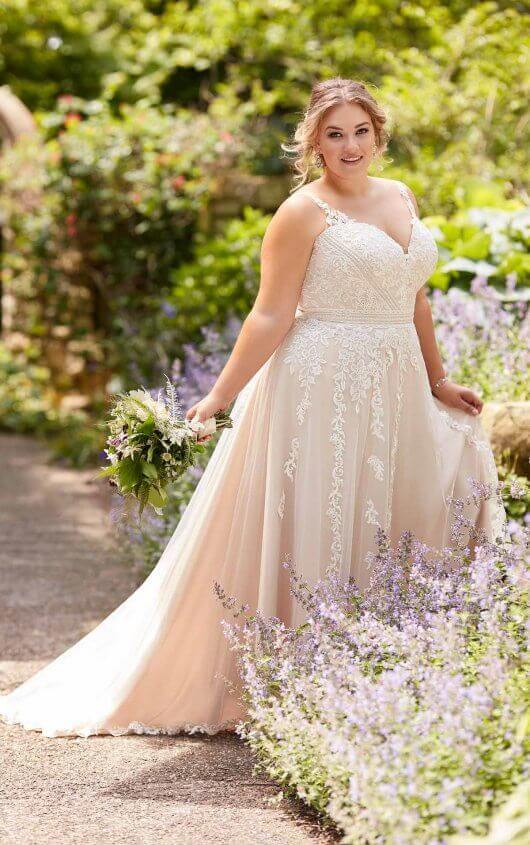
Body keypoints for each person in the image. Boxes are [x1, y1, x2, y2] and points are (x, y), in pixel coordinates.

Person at [0, 78, 506, 739]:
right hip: (321, 379)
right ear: (314, 142)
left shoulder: (401, 197)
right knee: (326, 510)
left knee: (409, 493)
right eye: (335, 134)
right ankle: (306, 676)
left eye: (360, 131)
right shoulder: (301, 212)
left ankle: (381, 660)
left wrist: (438, 378)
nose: (349, 146)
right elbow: (270, 313)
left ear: (378, 134)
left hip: (399, 378)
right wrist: (219, 394)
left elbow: (412, 296)